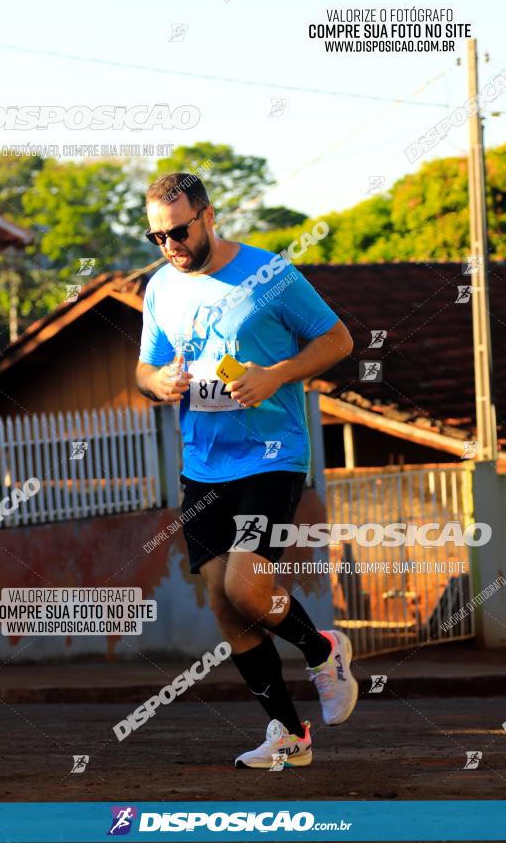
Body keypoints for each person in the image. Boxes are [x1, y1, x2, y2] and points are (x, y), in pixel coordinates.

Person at [136, 172, 358, 769]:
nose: (170, 246)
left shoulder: (271, 275)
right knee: (224, 604)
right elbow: (146, 369)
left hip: (271, 455)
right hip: (203, 464)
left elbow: (337, 340)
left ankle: (322, 649)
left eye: (178, 231)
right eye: (156, 236)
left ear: (208, 216)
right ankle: (289, 734)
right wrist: (159, 383)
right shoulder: (160, 287)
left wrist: (277, 374)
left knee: (247, 587)